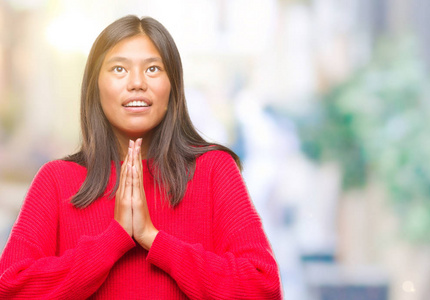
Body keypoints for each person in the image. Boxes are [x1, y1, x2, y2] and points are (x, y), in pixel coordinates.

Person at [0, 15, 282, 299]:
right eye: (119, 69)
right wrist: (114, 240)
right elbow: (10, 289)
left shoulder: (214, 171)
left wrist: (154, 239)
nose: (136, 82)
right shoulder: (57, 180)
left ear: (172, 85)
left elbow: (262, 287)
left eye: (153, 69)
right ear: (95, 86)